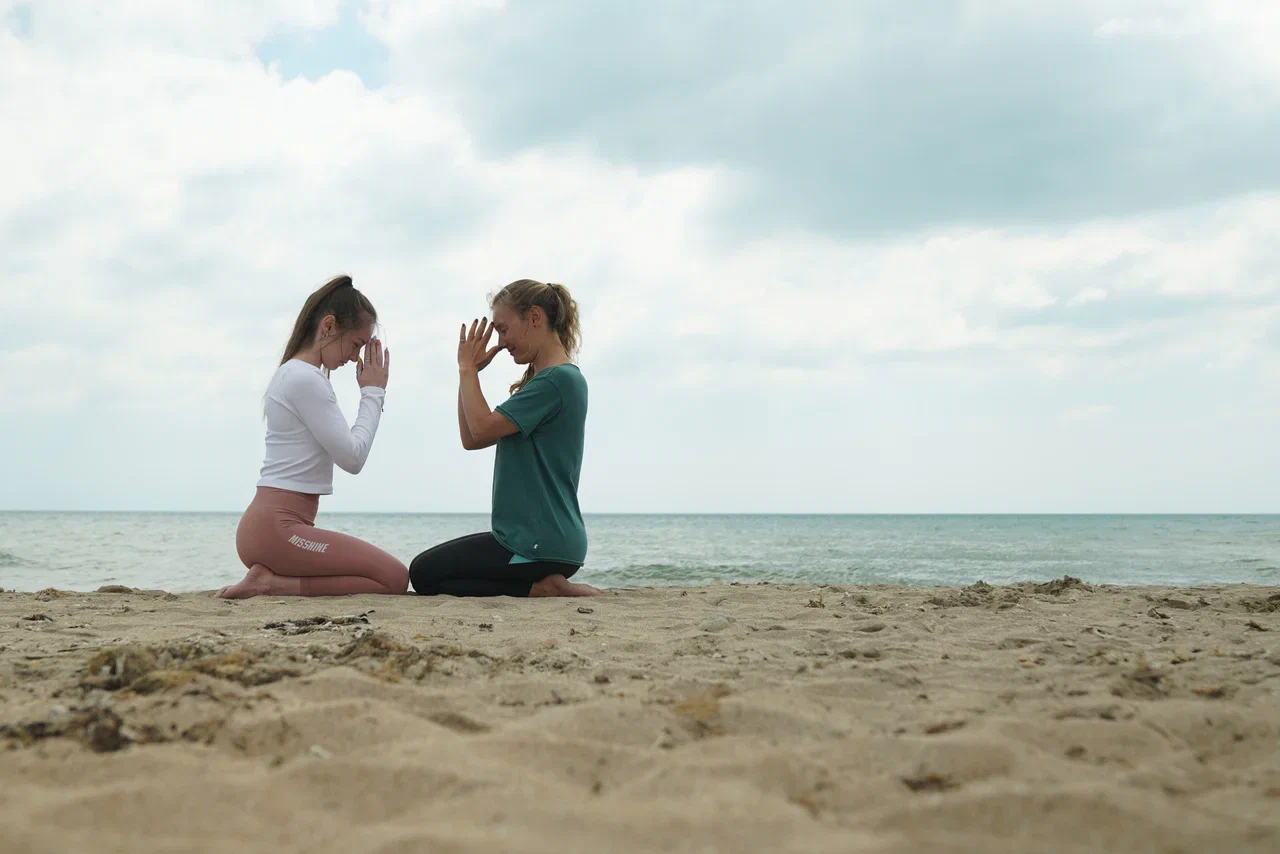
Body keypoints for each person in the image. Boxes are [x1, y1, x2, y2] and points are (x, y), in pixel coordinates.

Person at [218, 274, 409, 599]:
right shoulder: (305, 379)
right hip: (277, 530)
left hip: (273, 529)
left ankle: (270, 580)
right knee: (393, 578)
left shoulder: (294, 374)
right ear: (329, 326)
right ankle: (270, 585)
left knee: (389, 577)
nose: (354, 358)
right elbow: (352, 457)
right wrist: (373, 393)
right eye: (356, 345)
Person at [409, 279, 601, 598]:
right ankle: (538, 587)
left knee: (424, 573)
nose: (501, 341)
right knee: (428, 574)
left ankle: (542, 588)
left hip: (538, 541)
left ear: (534, 317)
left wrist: (467, 369)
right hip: (537, 539)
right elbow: (472, 437)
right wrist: (469, 374)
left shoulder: (557, 381)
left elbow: (481, 427)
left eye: (503, 328)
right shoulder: (548, 381)